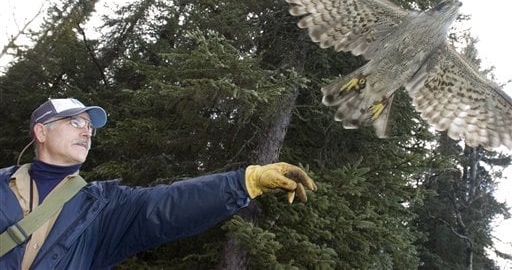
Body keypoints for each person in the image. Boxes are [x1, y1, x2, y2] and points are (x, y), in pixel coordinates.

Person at [0, 98, 317, 269]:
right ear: (41, 132)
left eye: (89, 127)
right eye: (74, 122)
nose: (86, 132)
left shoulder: (103, 208)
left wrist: (246, 181)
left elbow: (166, 207)